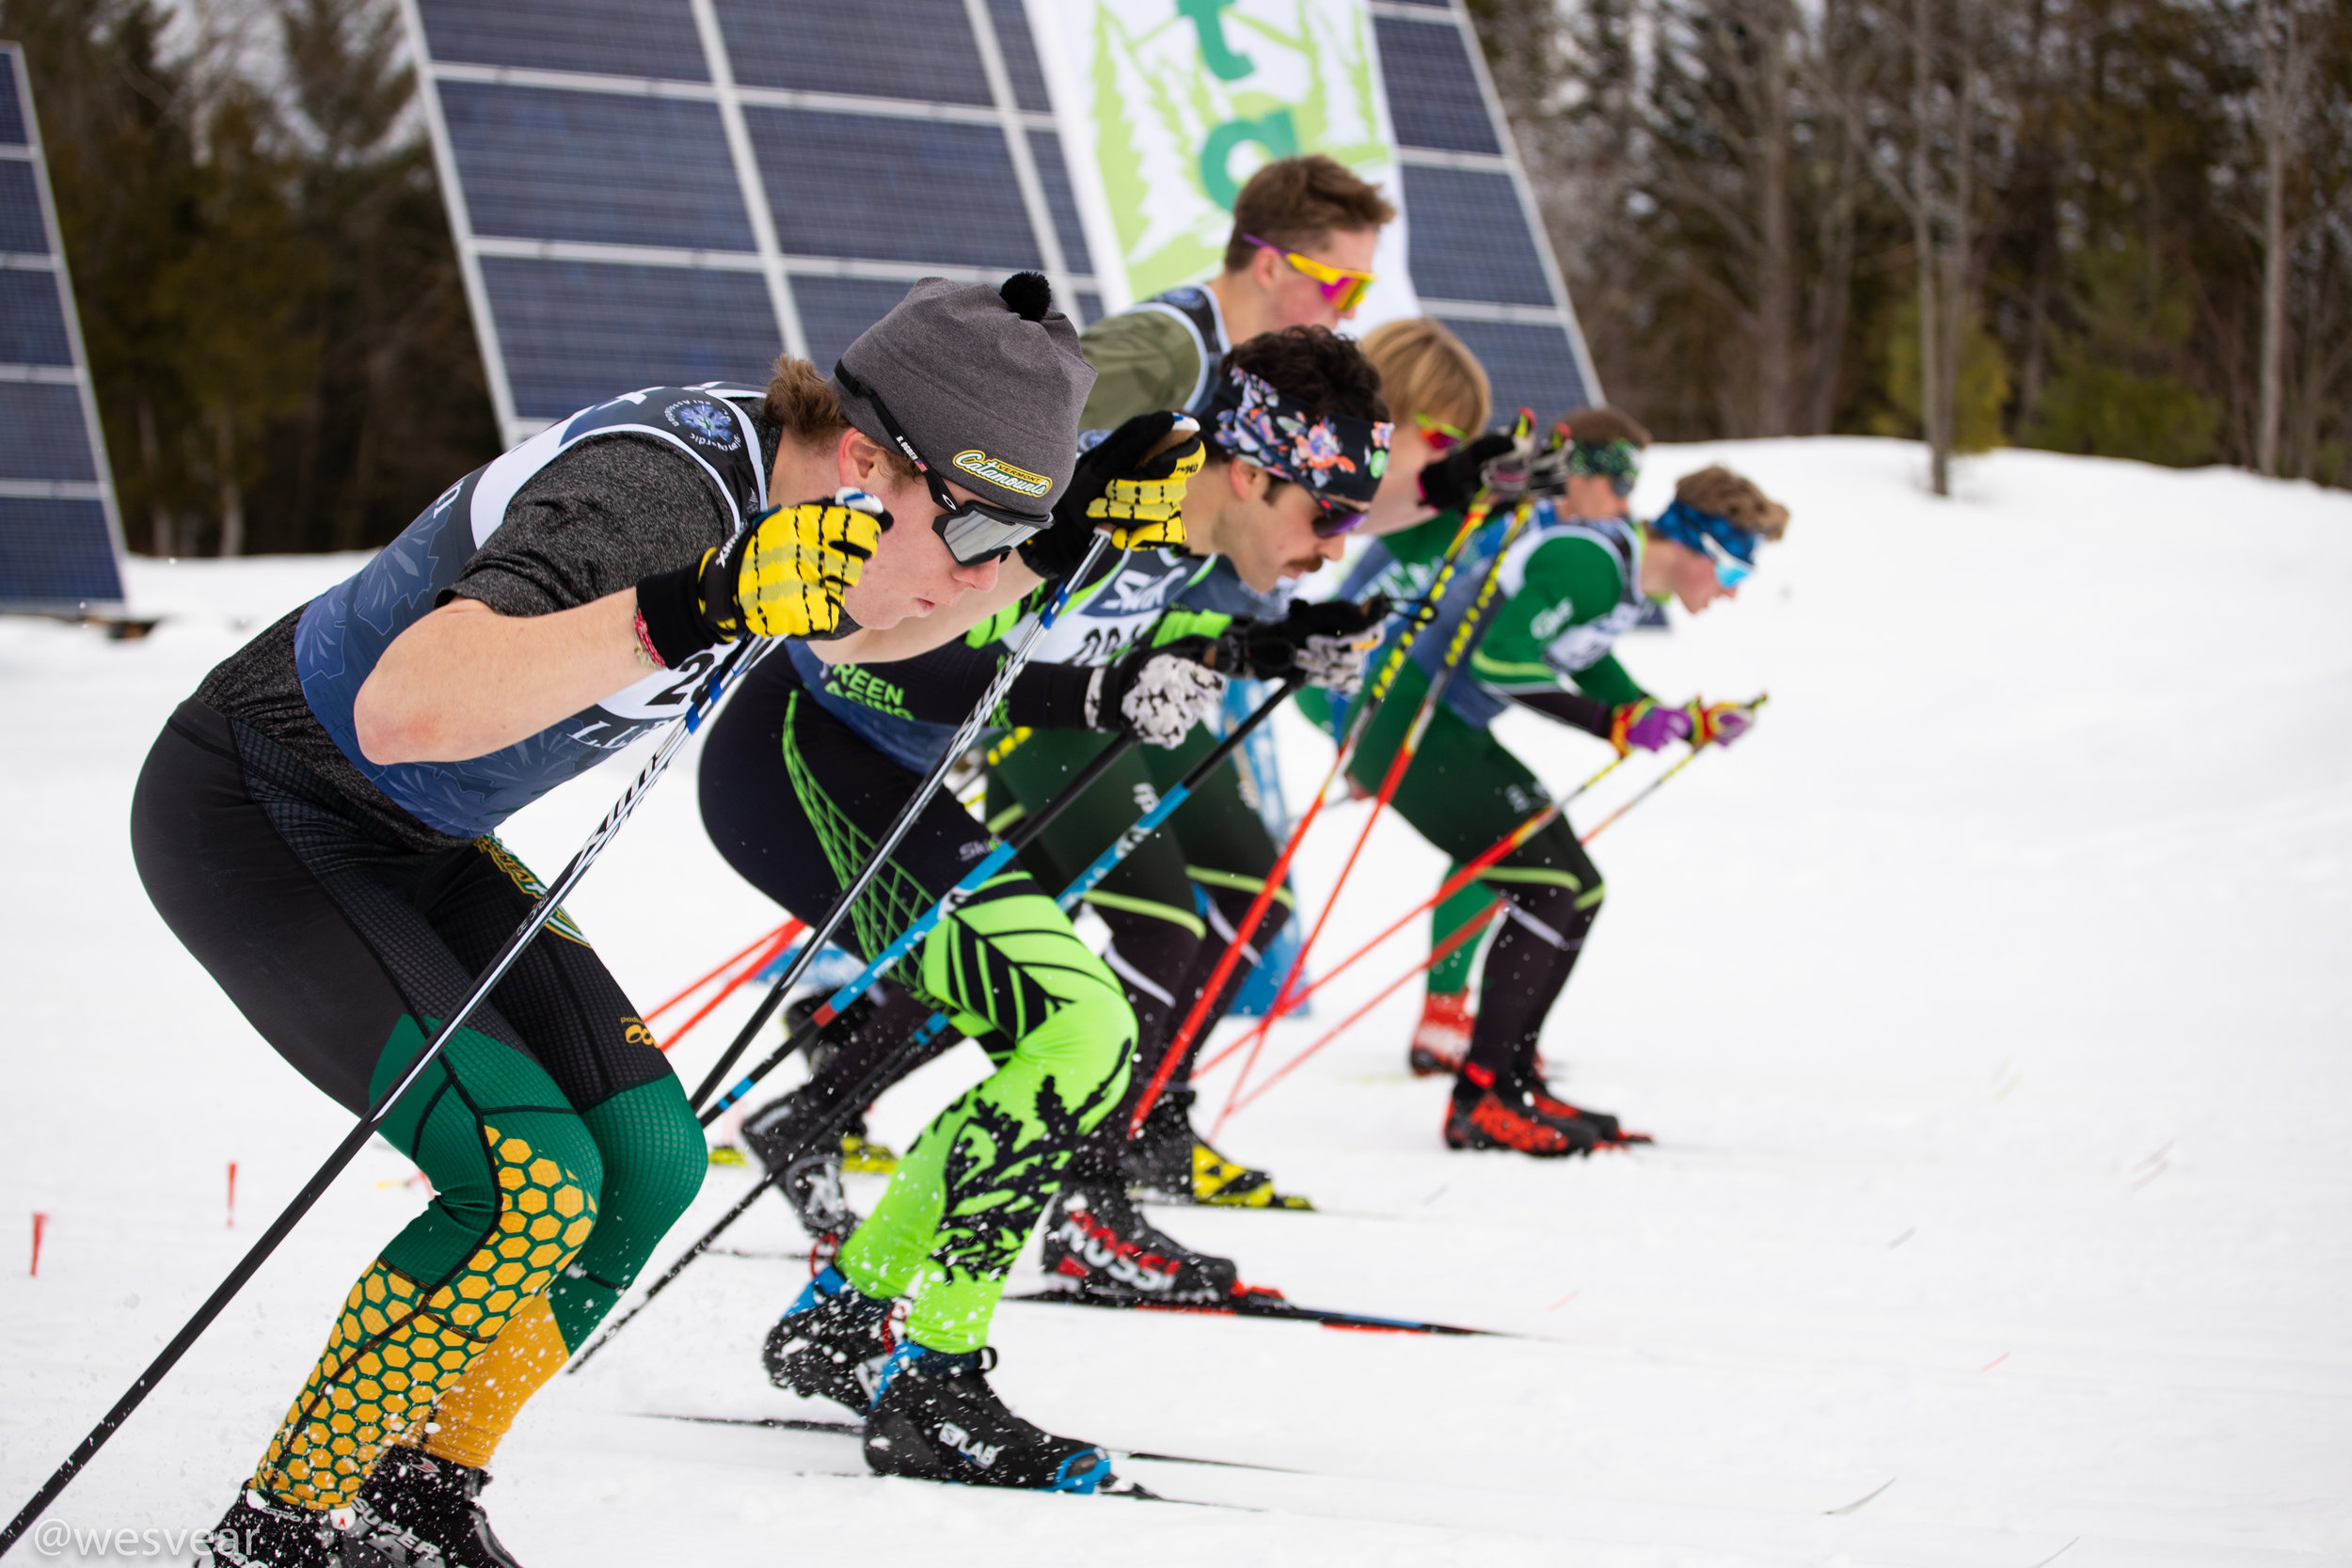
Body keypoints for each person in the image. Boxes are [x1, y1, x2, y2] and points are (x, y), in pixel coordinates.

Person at [135, 273, 1085, 1566]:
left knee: (649, 1158)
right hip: (265, 806)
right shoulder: (658, 489)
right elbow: (404, 710)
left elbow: (893, 617)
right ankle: (283, 1524)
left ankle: (420, 1484)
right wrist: (690, 602)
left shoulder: (822, 518)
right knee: (528, 1177)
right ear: (869, 458)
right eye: (976, 535)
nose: (974, 575)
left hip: (424, 838)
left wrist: (1061, 545)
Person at [704, 326, 1390, 1486]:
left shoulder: (1182, 536)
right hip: (809, 752)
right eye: (1329, 515)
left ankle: (850, 1315)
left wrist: (1273, 643)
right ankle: (930, 1375)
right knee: (1084, 1029)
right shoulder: (1106, 492)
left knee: (1064, 1039)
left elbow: (1103, 638)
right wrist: (1103, 690)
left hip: (886, 774)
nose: (1336, 547)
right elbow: (878, 649)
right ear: (1256, 472)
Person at [1314, 409, 1788, 1157]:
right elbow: (1505, 661)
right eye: (1732, 571)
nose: (1729, 591)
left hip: (1447, 729)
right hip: (1404, 724)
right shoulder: (1589, 561)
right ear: (1699, 546)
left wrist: (1677, 721)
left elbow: (1587, 663)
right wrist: (1615, 724)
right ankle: (1483, 1099)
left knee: (1578, 886)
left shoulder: (1619, 572)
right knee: (1551, 886)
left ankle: (1510, 1084)